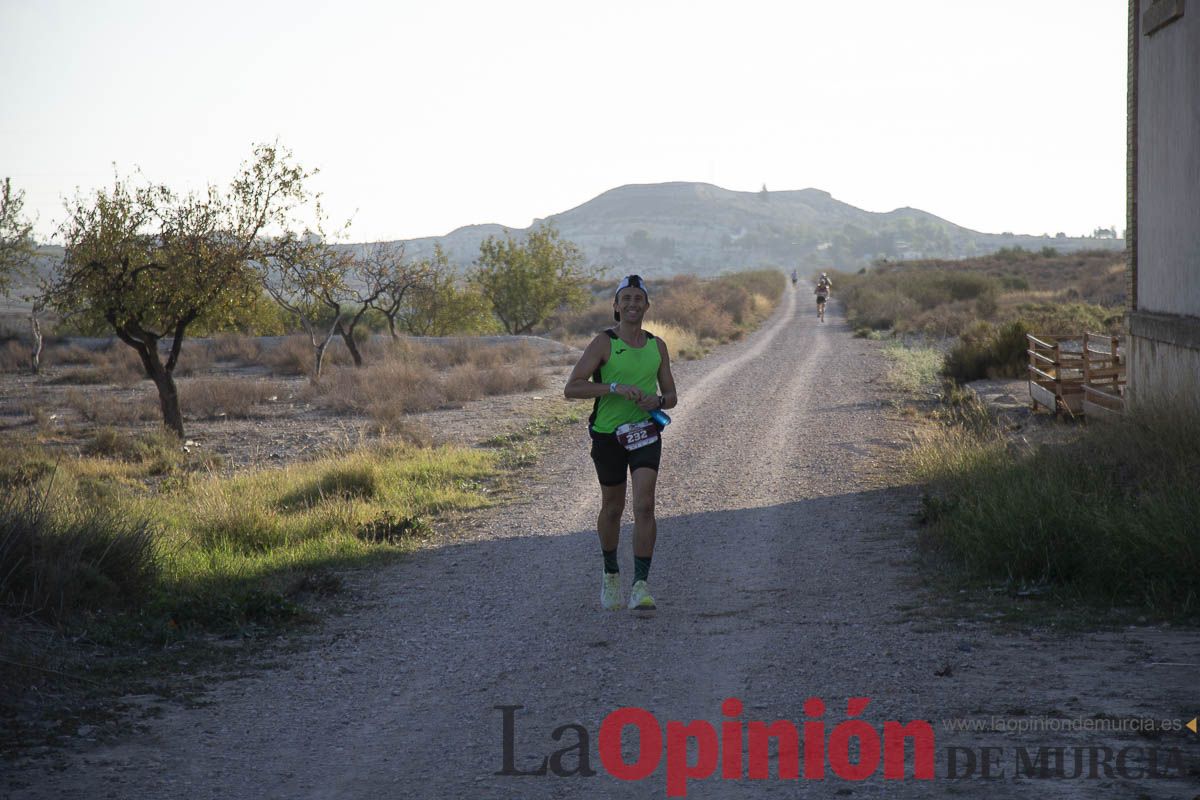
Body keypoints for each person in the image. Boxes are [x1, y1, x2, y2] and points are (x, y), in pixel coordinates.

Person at [564, 275, 678, 612]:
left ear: (646, 305)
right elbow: (572, 388)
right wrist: (612, 388)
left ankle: (640, 585)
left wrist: (656, 402)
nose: (632, 304)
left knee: (644, 505)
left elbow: (671, 396)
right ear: (616, 305)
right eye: (625, 299)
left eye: (638, 299)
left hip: (644, 433)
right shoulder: (604, 343)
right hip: (608, 434)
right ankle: (611, 571)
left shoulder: (658, 346)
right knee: (613, 507)